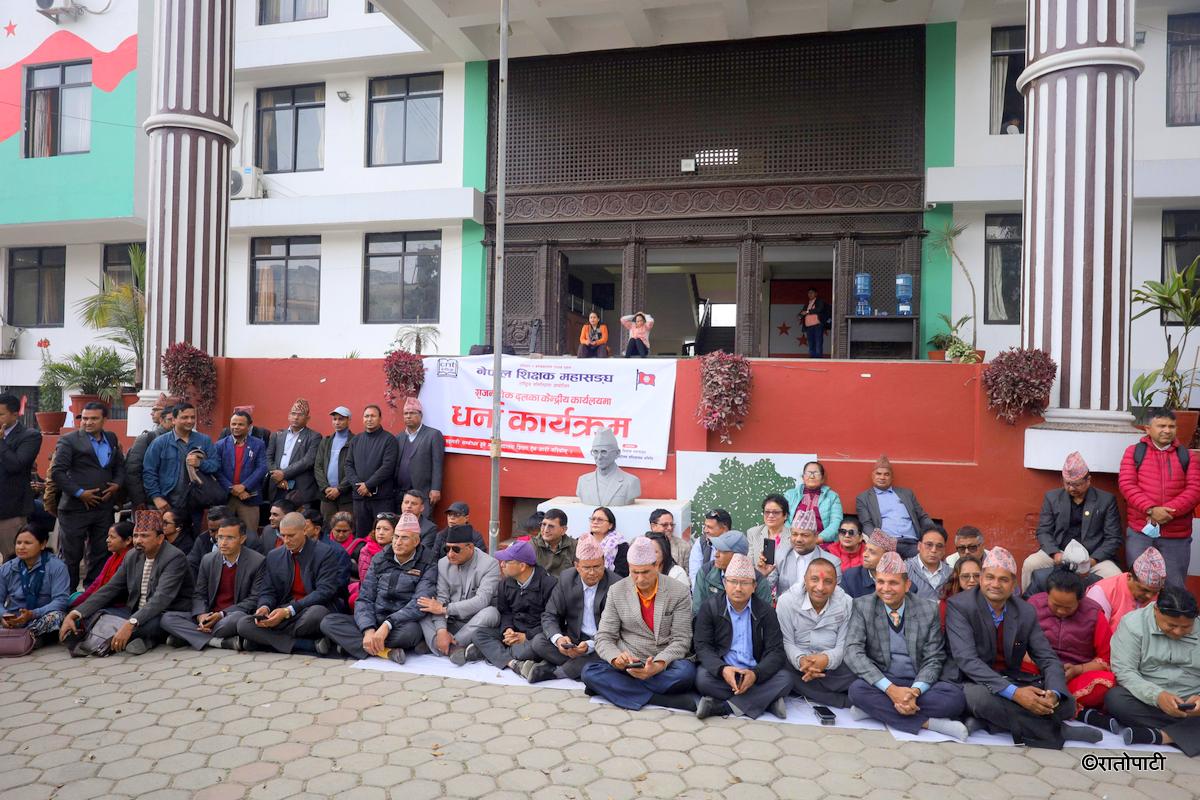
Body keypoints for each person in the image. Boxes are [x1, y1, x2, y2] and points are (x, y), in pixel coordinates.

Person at [945, 547, 1100, 748]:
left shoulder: (1025, 610)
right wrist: (1016, 694)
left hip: (1010, 677)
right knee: (980, 700)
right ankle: (1056, 730)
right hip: (971, 680)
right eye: (990, 577)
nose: (995, 584)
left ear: (1014, 585)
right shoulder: (960, 606)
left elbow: (1047, 658)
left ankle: (992, 723)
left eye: (1003, 579)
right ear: (981, 578)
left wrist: (1053, 693)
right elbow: (967, 661)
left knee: (1065, 703)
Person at [843, 552, 968, 740]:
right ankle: (930, 723)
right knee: (856, 690)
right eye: (881, 582)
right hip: (884, 680)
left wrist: (915, 691)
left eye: (893, 583)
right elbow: (853, 651)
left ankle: (875, 711)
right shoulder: (863, 605)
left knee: (955, 698)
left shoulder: (928, 609)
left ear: (907, 585)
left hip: (917, 682)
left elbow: (934, 658)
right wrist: (892, 690)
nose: (886, 588)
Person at [581, 537, 696, 711]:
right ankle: (659, 699)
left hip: (663, 662)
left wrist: (656, 666)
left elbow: (681, 641)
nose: (640, 579)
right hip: (629, 661)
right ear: (628, 568)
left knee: (686, 673)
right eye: (635, 572)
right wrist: (615, 658)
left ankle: (619, 689)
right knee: (589, 672)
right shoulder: (617, 590)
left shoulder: (678, 591)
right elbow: (604, 636)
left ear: (657, 566)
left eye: (646, 572)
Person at [61, 510, 193, 656]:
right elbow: (111, 588)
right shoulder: (132, 555)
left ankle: (143, 638)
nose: (138, 541)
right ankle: (138, 639)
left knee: (151, 625)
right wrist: (75, 613)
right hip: (135, 610)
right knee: (96, 614)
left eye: (144, 536)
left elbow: (161, 599)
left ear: (160, 538)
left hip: (164, 612)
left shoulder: (174, 557)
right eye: (136, 535)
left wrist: (131, 623)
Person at [319, 511, 437, 664]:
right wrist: (368, 629)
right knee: (328, 622)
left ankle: (355, 645)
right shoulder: (380, 558)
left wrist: (388, 625)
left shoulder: (428, 562)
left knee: (411, 633)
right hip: (374, 619)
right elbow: (365, 597)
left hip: (400, 623)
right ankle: (384, 651)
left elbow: (419, 602)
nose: (398, 542)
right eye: (396, 537)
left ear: (416, 541)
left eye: (404, 538)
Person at [693, 553, 791, 720]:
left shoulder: (765, 611)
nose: (738, 588)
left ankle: (723, 707)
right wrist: (723, 669)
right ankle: (766, 701)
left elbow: (776, 651)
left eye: (744, 583)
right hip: (726, 672)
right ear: (725, 583)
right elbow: (702, 646)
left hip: (755, 672)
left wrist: (755, 674)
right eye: (733, 582)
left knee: (786, 679)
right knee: (702, 679)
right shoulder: (710, 607)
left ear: (754, 586)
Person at [1106, 586, 1200, 753]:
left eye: (1186, 627)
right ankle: (1189, 732)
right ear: (1156, 610)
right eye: (1171, 625)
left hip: (1194, 706)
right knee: (1115, 699)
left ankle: (1163, 736)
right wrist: (1157, 696)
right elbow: (1125, 671)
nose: (1178, 631)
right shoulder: (1133, 624)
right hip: (1150, 703)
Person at [235, 512, 344, 655]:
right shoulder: (275, 555)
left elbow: (325, 591)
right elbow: (268, 590)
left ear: (304, 530)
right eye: (283, 535)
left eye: (291, 536)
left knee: (317, 614)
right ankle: (305, 644)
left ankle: (265, 639)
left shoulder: (325, 553)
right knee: (244, 624)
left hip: (308, 609)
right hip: (282, 610)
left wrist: (288, 611)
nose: (286, 540)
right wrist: (264, 607)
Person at [1119, 408, 1200, 588]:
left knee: (1174, 587)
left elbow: (1195, 490)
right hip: (1141, 532)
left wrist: (1168, 511)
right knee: (1139, 587)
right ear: (1148, 428)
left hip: (1176, 535)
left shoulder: (1188, 457)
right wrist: (1151, 509)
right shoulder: (1133, 452)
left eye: (1172, 426)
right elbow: (1127, 485)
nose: (1167, 430)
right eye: (1161, 425)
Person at [51, 402, 126, 589]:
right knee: (72, 555)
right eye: (84, 418)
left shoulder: (111, 437)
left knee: (101, 553)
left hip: (103, 507)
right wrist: (80, 493)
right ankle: (67, 597)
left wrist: (117, 484)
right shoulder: (69, 440)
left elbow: (119, 466)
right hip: (75, 508)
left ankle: (93, 593)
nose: (87, 422)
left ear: (104, 420)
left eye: (93, 418)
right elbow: (57, 472)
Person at [1022, 452, 1123, 589]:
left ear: (1088, 480)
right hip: (1059, 552)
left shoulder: (1105, 500)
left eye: (1076, 485)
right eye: (1067, 483)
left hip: (1092, 556)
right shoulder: (1052, 497)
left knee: (1116, 577)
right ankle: (1028, 605)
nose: (1071, 488)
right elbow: (1044, 531)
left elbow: (1113, 538)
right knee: (1031, 564)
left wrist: (1091, 562)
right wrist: (1055, 554)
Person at [162, 518, 265, 651]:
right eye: (220, 537)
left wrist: (221, 614)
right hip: (209, 614)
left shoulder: (257, 561)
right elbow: (199, 593)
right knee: (167, 618)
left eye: (230, 538)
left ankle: (188, 637)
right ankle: (218, 642)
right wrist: (201, 615)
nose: (223, 543)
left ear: (242, 539)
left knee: (239, 620)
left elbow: (254, 599)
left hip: (230, 616)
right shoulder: (208, 560)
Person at [525, 534, 615, 682]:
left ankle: (558, 672)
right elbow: (550, 615)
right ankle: (578, 667)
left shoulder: (615, 584)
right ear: (577, 565)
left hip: (602, 640)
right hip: (574, 639)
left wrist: (590, 646)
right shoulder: (567, 578)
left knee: (609, 652)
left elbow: (615, 630)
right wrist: (559, 640)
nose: (592, 572)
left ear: (604, 562)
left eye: (597, 566)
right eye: (587, 567)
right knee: (539, 641)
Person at [1026, 567, 1116, 713]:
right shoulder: (1033, 605)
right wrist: (1029, 656)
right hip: (1037, 670)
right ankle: (1072, 709)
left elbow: (1106, 659)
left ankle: (1052, 702)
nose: (1061, 611)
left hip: (1074, 676)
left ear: (1080, 600)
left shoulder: (1094, 614)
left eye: (1068, 608)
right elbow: (1016, 641)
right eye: (1055, 605)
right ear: (1047, 595)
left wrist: (1077, 670)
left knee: (1108, 682)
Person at [777, 558, 856, 707]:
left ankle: (799, 690)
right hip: (797, 664)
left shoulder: (846, 603)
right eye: (814, 579)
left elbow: (843, 645)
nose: (820, 587)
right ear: (805, 580)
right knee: (779, 666)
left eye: (828, 581)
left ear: (836, 584)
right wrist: (802, 661)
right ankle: (839, 699)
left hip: (832, 667)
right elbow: (787, 642)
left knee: (857, 669)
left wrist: (826, 659)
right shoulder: (786, 601)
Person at [473, 540, 558, 672]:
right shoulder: (505, 584)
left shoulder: (549, 584)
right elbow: (505, 612)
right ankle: (512, 663)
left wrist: (527, 636)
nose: (502, 565)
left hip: (536, 634)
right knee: (479, 634)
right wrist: (508, 630)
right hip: (514, 631)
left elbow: (552, 619)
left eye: (507, 561)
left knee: (528, 650)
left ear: (522, 566)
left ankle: (493, 653)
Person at [419, 526, 500, 660]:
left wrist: (446, 609)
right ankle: (450, 647)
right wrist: (441, 630)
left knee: (491, 613)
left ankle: (443, 645)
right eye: (447, 549)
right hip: (451, 620)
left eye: (456, 549)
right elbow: (441, 598)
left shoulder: (490, 564)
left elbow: (482, 601)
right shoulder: (443, 563)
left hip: (475, 620)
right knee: (423, 607)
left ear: (470, 548)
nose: (450, 554)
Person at [142, 402, 219, 525]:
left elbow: (215, 465)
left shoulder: (204, 440)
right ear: (174, 420)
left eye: (193, 417)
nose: (190, 421)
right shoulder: (160, 443)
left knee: (194, 537)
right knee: (168, 537)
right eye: (184, 417)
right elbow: (149, 472)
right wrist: (156, 497)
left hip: (197, 501)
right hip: (168, 501)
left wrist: (200, 463)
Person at [0, 524, 70, 646]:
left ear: (42, 544)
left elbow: (61, 600)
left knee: (57, 616)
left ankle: (27, 638)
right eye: (18, 543)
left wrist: (32, 614)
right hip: (13, 618)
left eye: (27, 543)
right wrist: (4, 615)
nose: (21, 547)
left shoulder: (57, 567)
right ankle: (19, 638)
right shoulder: (7, 568)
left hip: (40, 618)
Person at [854, 455, 933, 560]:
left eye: (886, 474)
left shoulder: (906, 494)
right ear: (872, 476)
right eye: (878, 474)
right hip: (887, 545)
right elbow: (866, 525)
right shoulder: (863, 498)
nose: (882, 477)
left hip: (913, 543)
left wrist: (934, 533)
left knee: (924, 565)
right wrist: (886, 543)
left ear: (892, 477)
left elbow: (922, 517)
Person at [345, 404, 398, 538]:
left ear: (380, 418)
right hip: (360, 498)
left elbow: (388, 467)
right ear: (363, 419)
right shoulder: (355, 440)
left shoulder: (389, 440)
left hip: (381, 499)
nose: (369, 419)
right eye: (366, 416)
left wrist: (368, 485)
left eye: (373, 416)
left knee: (383, 535)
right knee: (361, 536)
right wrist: (359, 486)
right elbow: (348, 465)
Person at [212, 410, 268, 537]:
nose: (236, 427)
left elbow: (262, 467)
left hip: (249, 496)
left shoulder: (258, 444)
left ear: (249, 426)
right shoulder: (220, 445)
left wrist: (244, 486)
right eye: (233, 424)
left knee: (251, 536)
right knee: (223, 534)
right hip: (226, 497)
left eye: (240, 424)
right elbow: (217, 470)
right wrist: (232, 488)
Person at [0, 393, 42, 561]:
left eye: (1, 414)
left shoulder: (29, 436)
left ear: (15, 413)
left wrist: (1, 442)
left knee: (13, 559)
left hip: (10, 510)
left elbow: (16, 465)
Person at [1085, 546, 1166, 630]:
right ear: (1129, 577)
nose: (1150, 596)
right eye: (1144, 590)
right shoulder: (1101, 592)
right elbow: (1096, 634)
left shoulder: (1161, 597)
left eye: (1155, 592)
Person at [692, 530, 771, 614]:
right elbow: (698, 612)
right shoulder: (706, 572)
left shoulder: (757, 580)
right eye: (716, 549)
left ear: (738, 556)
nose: (716, 555)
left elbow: (766, 616)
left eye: (722, 551)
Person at [264, 398, 322, 508]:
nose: (296, 417)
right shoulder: (277, 435)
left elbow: (308, 461)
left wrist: (283, 474)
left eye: (300, 415)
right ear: (288, 415)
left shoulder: (314, 437)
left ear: (307, 418)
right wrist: (277, 477)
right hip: (277, 486)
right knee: (277, 521)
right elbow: (268, 457)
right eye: (293, 413)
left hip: (299, 489)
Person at [766, 512, 841, 596]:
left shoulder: (831, 562)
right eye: (794, 534)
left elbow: (835, 596)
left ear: (816, 536)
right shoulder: (780, 555)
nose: (798, 539)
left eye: (805, 535)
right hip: (786, 607)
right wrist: (762, 575)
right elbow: (766, 588)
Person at [395, 397, 445, 516]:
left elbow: (437, 464)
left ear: (420, 415)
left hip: (424, 492)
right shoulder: (399, 437)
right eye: (405, 413)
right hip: (401, 492)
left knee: (423, 525)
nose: (408, 416)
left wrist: (436, 488)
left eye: (412, 413)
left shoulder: (433, 435)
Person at [123, 396, 174, 511]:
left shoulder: (187, 440)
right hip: (151, 503)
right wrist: (139, 500)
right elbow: (133, 471)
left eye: (156, 410)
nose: (152, 413)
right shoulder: (147, 438)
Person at [73, 521, 133, 609]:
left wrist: (84, 606)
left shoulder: (130, 560)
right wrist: (76, 603)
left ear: (128, 540)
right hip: (103, 599)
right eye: (108, 536)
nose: (107, 540)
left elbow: (113, 590)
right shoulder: (113, 558)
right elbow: (97, 582)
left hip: (116, 605)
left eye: (112, 537)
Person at [575, 427, 641, 507]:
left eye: (604, 452)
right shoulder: (583, 481)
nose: (599, 457)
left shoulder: (631, 482)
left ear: (617, 453)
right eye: (595, 452)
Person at [315, 406, 355, 524]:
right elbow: (318, 466)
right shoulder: (326, 441)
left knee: (347, 528)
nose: (337, 422)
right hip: (327, 496)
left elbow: (355, 468)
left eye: (341, 419)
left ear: (349, 420)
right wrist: (325, 488)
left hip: (346, 497)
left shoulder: (355, 441)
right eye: (335, 419)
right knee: (328, 528)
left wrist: (339, 489)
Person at [784, 462, 843, 543]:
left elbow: (837, 522)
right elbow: (783, 518)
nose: (812, 476)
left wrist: (819, 539)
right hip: (793, 541)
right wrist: (794, 537)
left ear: (822, 478)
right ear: (803, 477)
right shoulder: (790, 495)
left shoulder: (832, 497)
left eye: (816, 473)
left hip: (821, 543)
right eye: (808, 473)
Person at [840, 530, 894, 599]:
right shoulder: (850, 577)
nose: (864, 554)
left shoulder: (898, 578)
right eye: (865, 549)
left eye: (872, 552)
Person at [905, 525, 953, 600]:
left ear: (944, 550)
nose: (934, 550)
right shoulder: (905, 569)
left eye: (939, 546)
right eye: (929, 545)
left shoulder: (951, 573)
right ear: (919, 546)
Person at [746, 494, 790, 571]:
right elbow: (749, 564)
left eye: (776, 512)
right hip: (761, 579)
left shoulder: (793, 536)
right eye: (767, 512)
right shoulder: (753, 533)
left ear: (785, 515)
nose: (770, 516)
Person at [583, 506, 628, 578]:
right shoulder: (582, 541)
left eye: (600, 520)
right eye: (593, 519)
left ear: (610, 525)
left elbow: (622, 573)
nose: (595, 522)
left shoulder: (620, 545)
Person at [187, 505, 233, 575]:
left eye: (221, 530)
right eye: (212, 531)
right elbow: (191, 566)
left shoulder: (249, 541)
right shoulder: (202, 540)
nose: (217, 535)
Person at [531, 508, 576, 577]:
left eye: (551, 526)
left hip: (565, 586)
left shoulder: (575, 546)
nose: (545, 530)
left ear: (563, 530)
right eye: (543, 524)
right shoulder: (531, 546)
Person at [688, 508, 732, 579]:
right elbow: (695, 575)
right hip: (704, 587)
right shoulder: (701, 542)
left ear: (724, 529)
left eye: (709, 527)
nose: (705, 530)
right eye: (705, 526)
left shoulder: (737, 545)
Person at [799, 287, 831, 359]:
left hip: (817, 326)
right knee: (811, 343)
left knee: (818, 342)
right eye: (809, 293)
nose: (810, 294)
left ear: (816, 294)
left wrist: (807, 312)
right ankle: (812, 358)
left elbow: (819, 309)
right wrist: (800, 315)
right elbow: (802, 312)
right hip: (809, 327)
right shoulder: (807, 304)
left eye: (812, 293)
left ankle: (818, 359)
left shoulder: (819, 301)